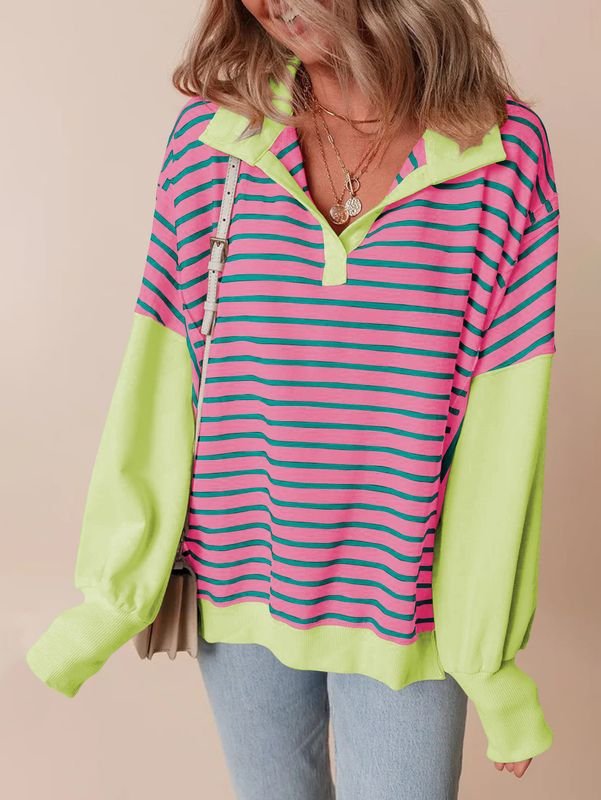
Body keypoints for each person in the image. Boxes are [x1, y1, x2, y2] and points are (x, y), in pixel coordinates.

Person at [26, 1, 560, 797]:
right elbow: (163, 379)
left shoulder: (500, 152)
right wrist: (112, 598)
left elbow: (504, 422)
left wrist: (488, 661)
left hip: (404, 602)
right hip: (238, 577)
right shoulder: (215, 140)